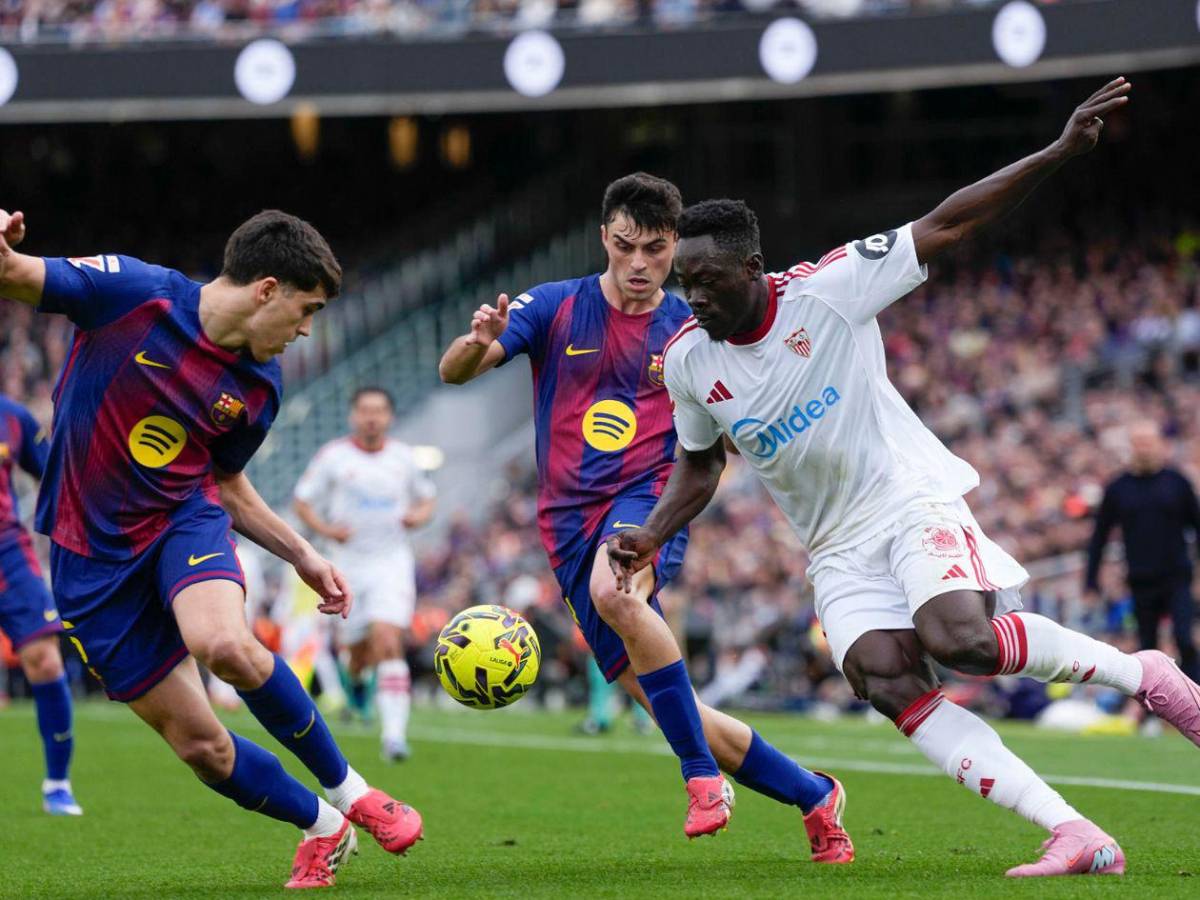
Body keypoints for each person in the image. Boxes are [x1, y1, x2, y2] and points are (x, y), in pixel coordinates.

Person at [611, 78, 1200, 878]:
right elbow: (700, 463)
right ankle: (1072, 832)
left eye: (706, 280)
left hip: (908, 499)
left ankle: (1146, 675)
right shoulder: (689, 361)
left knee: (959, 639)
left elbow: (950, 221)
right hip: (834, 548)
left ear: (752, 266)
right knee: (882, 677)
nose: (692, 297)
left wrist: (1058, 152)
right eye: (684, 283)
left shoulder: (829, 290)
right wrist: (651, 532)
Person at [0, 207, 422, 890]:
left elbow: (225, 485)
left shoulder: (258, 386)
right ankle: (322, 826)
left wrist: (302, 555)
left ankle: (354, 792)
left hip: (180, 522)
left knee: (223, 644)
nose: (306, 330)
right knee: (203, 748)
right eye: (305, 310)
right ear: (266, 290)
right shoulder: (132, 293)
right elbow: (12, 275)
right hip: (88, 559)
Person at [439, 172, 852, 860]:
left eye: (656, 250)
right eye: (626, 246)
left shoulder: (692, 327)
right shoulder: (556, 307)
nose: (639, 264)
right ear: (605, 237)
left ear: (674, 248)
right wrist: (477, 339)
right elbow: (456, 371)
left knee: (615, 591)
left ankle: (701, 779)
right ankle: (814, 794)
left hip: (648, 503)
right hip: (566, 526)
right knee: (666, 703)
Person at [294, 386, 437, 761]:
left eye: (379, 411)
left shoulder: (404, 458)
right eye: (364, 410)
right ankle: (356, 680)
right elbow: (302, 500)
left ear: (389, 416)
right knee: (358, 652)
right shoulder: (333, 457)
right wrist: (325, 531)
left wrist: (418, 517)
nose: (371, 417)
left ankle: (393, 737)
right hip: (347, 565)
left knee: (388, 640)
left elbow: (427, 499)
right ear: (353, 416)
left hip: (391, 562)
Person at [0, 393, 81, 815]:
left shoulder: (11, 418)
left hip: (7, 554)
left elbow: (56, 477)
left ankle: (57, 784)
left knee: (46, 661)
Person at [1085, 420, 1200, 679]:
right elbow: (1099, 537)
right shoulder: (1118, 488)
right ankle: (1152, 712)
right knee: (1147, 649)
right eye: (1139, 443)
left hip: (1177, 576)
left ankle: (1196, 703)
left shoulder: (1177, 482)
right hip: (1140, 580)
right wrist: (1091, 581)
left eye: (1149, 442)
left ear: (1160, 444)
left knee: (1184, 638)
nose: (1144, 449)